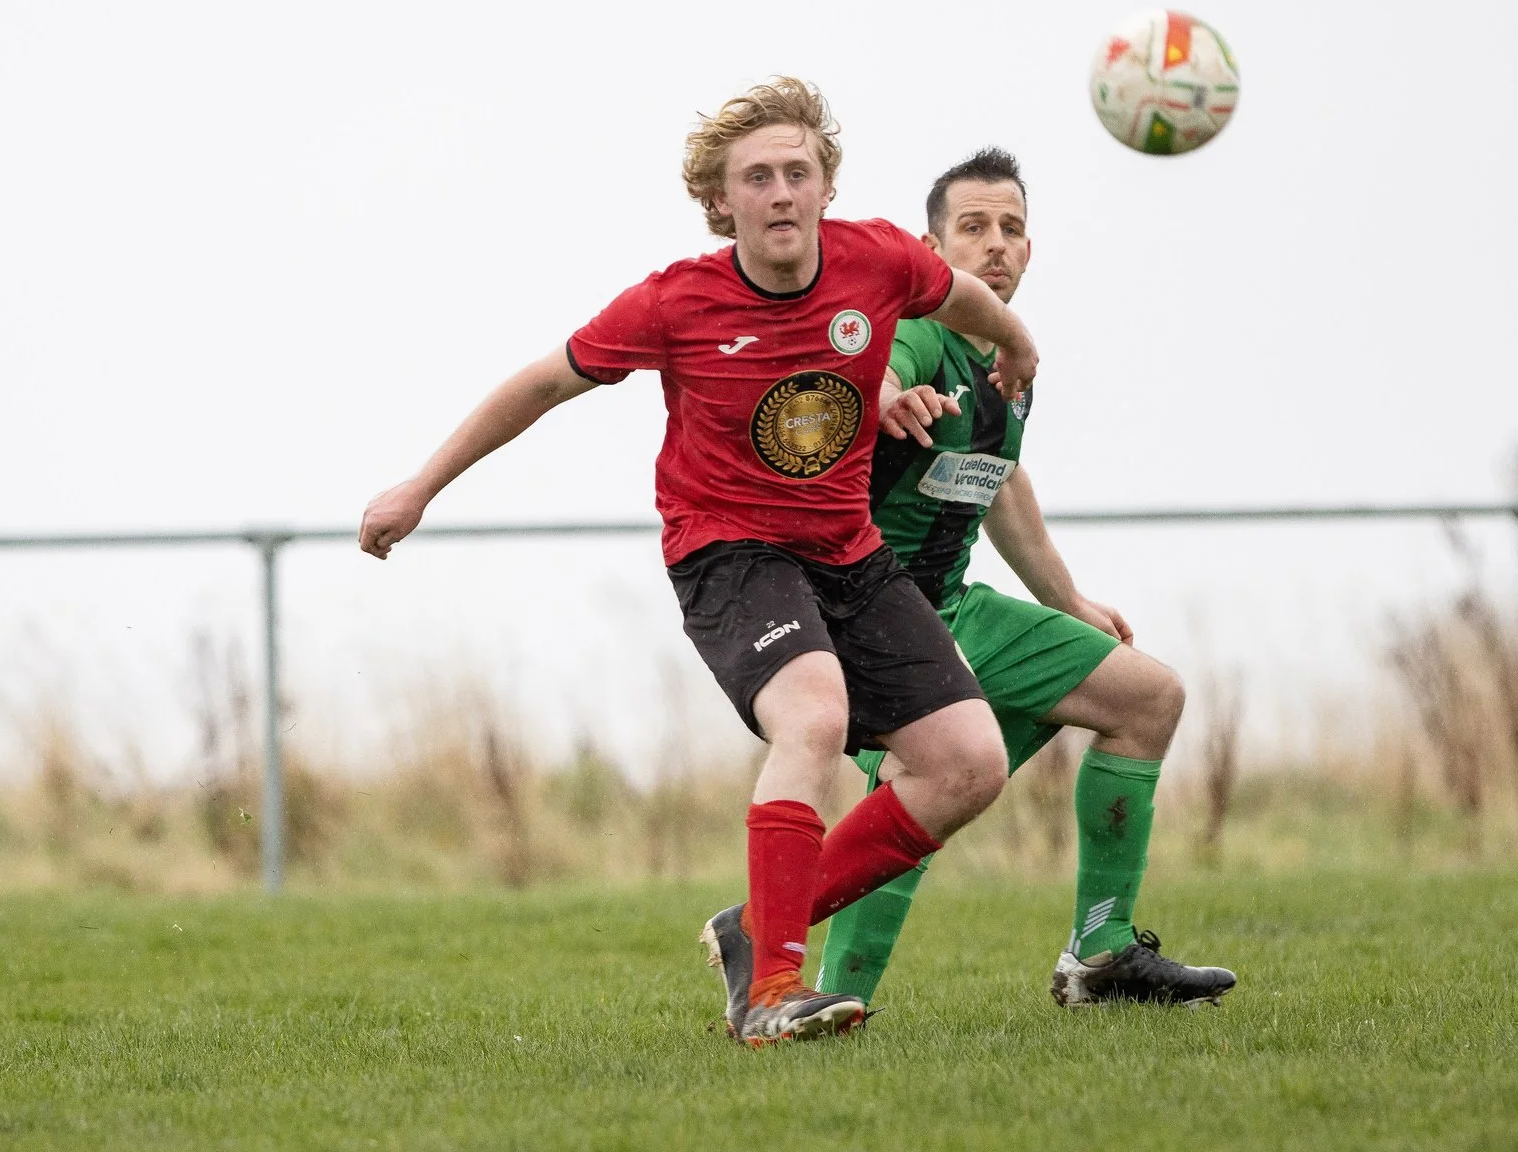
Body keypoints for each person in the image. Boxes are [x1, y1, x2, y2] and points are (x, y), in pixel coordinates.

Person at [360, 79, 1041, 1045]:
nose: (779, 194)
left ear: (824, 187)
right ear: (721, 203)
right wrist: (418, 487)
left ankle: (757, 930)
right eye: (755, 178)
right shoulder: (675, 302)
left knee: (969, 765)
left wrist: (1017, 339)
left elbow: (958, 291)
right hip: (729, 554)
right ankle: (770, 996)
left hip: (848, 550)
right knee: (814, 715)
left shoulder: (880, 259)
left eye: (796, 173)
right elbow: (543, 383)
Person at [813, 147, 1237, 1008]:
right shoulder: (924, 336)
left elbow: (999, 482)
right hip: (880, 619)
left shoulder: (1010, 364)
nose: (996, 244)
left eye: (1011, 228)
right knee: (917, 797)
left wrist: (1070, 603)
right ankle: (819, 986)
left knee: (1146, 699)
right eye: (973, 228)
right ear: (933, 250)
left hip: (961, 610)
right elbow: (871, 371)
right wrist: (882, 391)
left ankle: (1101, 953)